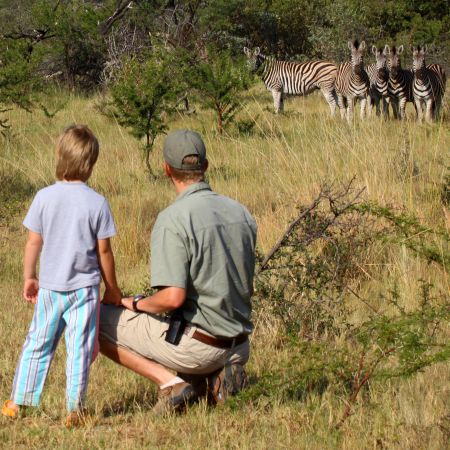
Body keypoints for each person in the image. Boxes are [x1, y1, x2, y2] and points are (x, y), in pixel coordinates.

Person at [99, 129, 257, 415]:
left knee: (94, 321)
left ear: (166, 169)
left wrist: (136, 303)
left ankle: (172, 383)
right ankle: (214, 376)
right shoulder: (241, 212)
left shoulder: (173, 219)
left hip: (199, 347)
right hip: (240, 344)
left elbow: (172, 297)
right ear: (205, 167)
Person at [1, 125, 122, 426]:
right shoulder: (97, 203)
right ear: (91, 164)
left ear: (59, 155)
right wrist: (113, 289)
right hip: (85, 290)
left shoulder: (44, 197)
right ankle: (74, 408)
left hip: (51, 288)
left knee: (38, 343)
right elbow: (104, 252)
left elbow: (33, 242)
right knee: (79, 348)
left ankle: (18, 401)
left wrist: (30, 276)